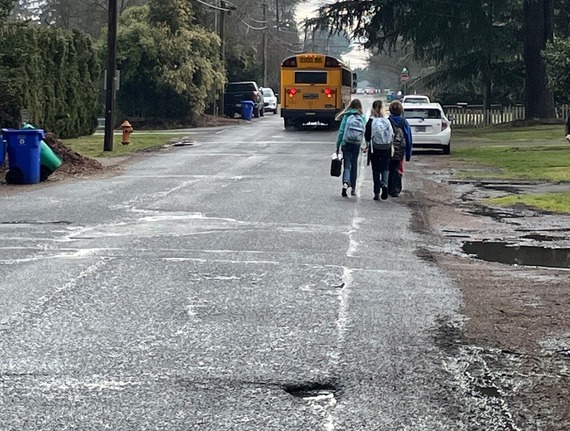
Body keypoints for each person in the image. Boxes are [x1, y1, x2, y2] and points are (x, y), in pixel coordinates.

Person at [336, 99, 366, 197]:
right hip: (356, 144)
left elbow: (341, 131)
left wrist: (338, 146)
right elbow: (365, 131)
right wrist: (365, 145)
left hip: (346, 143)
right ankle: (353, 188)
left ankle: (345, 184)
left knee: (347, 165)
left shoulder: (346, 115)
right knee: (354, 165)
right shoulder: (362, 116)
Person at [364, 100, 393, 200]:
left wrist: (367, 145)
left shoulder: (371, 121)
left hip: (374, 149)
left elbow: (367, 136)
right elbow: (392, 135)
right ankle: (384, 184)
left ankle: (376, 192)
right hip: (386, 148)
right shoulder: (387, 120)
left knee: (376, 170)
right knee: (385, 168)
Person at [387, 100, 413, 197]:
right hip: (400, 150)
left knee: (389, 167)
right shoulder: (404, 122)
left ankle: (388, 187)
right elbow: (408, 137)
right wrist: (408, 154)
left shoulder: (388, 120)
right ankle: (396, 189)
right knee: (397, 168)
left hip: (389, 148)